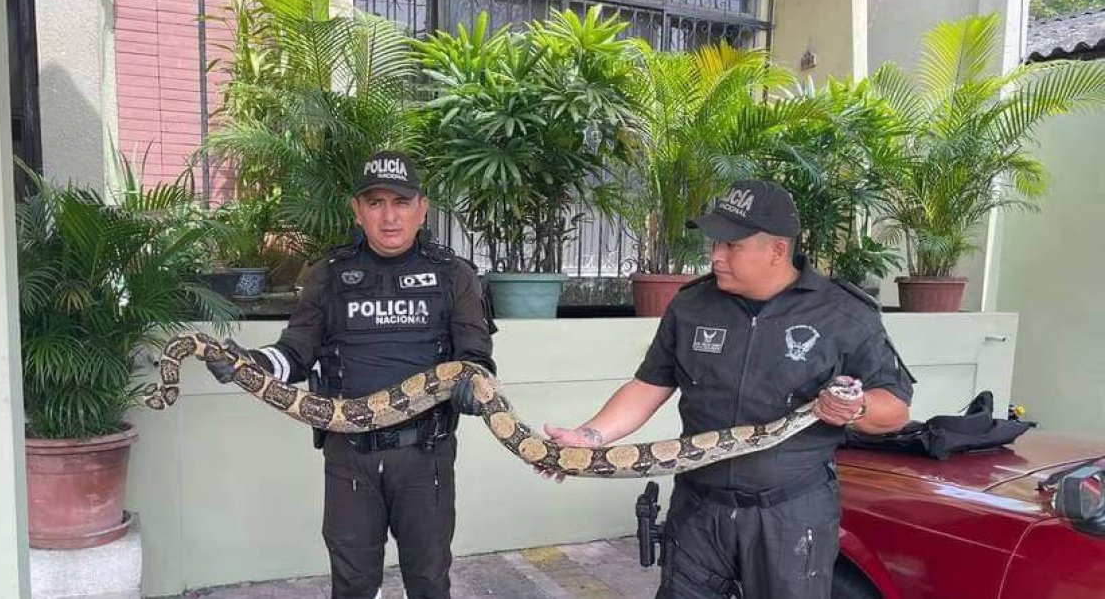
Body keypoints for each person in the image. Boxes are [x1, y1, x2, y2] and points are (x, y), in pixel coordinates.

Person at [541, 179, 913, 599]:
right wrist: (589, 437)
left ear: (777, 249)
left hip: (790, 515)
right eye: (715, 243)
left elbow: (895, 407)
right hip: (699, 510)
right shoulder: (692, 305)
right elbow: (649, 385)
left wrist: (855, 408)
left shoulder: (843, 313)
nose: (716, 256)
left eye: (732, 245)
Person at [206, 150, 495, 599]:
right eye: (375, 203)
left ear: (422, 208)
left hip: (425, 456)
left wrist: (472, 388)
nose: (389, 216)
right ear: (357, 211)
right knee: (354, 584)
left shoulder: (453, 275)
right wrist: (250, 364)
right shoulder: (329, 275)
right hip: (349, 458)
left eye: (401, 202)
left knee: (429, 580)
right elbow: (295, 354)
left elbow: (477, 359)